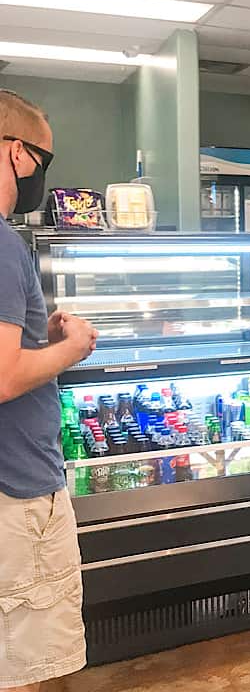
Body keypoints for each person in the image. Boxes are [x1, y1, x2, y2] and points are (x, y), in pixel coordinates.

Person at [0, 90, 98, 692]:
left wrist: (42, 335)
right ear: (16, 152)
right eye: (43, 160)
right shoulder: (3, 244)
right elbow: (4, 377)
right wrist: (73, 346)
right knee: (36, 667)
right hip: (18, 490)